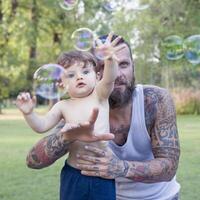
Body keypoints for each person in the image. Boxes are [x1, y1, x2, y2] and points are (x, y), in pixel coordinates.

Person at [26, 33, 181, 200]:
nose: (118, 74)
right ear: (96, 74)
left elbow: (169, 166)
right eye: (103, 65)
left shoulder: (155, 100)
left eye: (124, 64)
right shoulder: (77, 107)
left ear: (133, 66)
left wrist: (119, 167)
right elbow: (33, 161)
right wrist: (65, 137)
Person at [16, 33, 125, 200]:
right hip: (73, 174)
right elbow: (42, 126)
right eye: (71, 75)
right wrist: (29, 113)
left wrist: (110, 58)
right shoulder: (62, 105)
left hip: (102, 172)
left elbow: (110, 78)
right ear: (62, 84)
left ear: (97, 77)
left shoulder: (100, 95)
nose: (79, 76)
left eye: (85, 71)